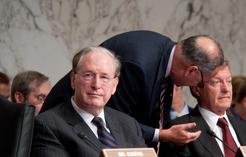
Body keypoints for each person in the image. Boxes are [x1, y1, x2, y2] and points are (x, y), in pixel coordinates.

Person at [41, 30, 224, 147]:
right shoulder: (139, 66)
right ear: (192, 70)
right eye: (201, 82)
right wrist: (162, 135)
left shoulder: (168, 57)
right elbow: (113, 121)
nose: (197, 87)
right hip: (68, 132)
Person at [29, 46, 147, 157]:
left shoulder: (129, 124)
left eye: (104, 77)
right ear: (73, 80)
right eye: (88, 75)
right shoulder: (48, 125)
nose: (96, 85)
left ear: (114, 85)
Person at [159, 60, 246, 157]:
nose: (226, 89)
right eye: (216, 82)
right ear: (196, 89)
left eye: (228, 81)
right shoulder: (179, 130)